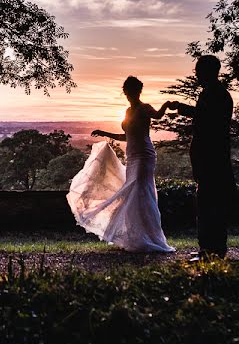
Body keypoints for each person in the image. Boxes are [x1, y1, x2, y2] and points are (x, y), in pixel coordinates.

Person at [65, 76, 175, 253]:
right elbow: (126, 136)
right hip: (132, 155)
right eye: (126, 91)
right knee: (134, 192)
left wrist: (166, 105)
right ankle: (135, 235)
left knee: (140, 191)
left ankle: (150, 236)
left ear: (138, 91)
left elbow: (158, 116)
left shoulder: (144, 108)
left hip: (144, 155)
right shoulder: (127, 111)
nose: (128, 94)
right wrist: (104, 132)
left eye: (131, 91)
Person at [168, 55, 237, 257]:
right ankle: (210, 248)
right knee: (209, 202)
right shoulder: (217, 94)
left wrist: (180, 107)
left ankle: (210, 250)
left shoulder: (214, 94)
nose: (196, 74)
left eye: (198, 70)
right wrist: (181, 107)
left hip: (210, 160)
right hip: (212, 158)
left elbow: (204, 117)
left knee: (209, 203)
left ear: (208, 71)